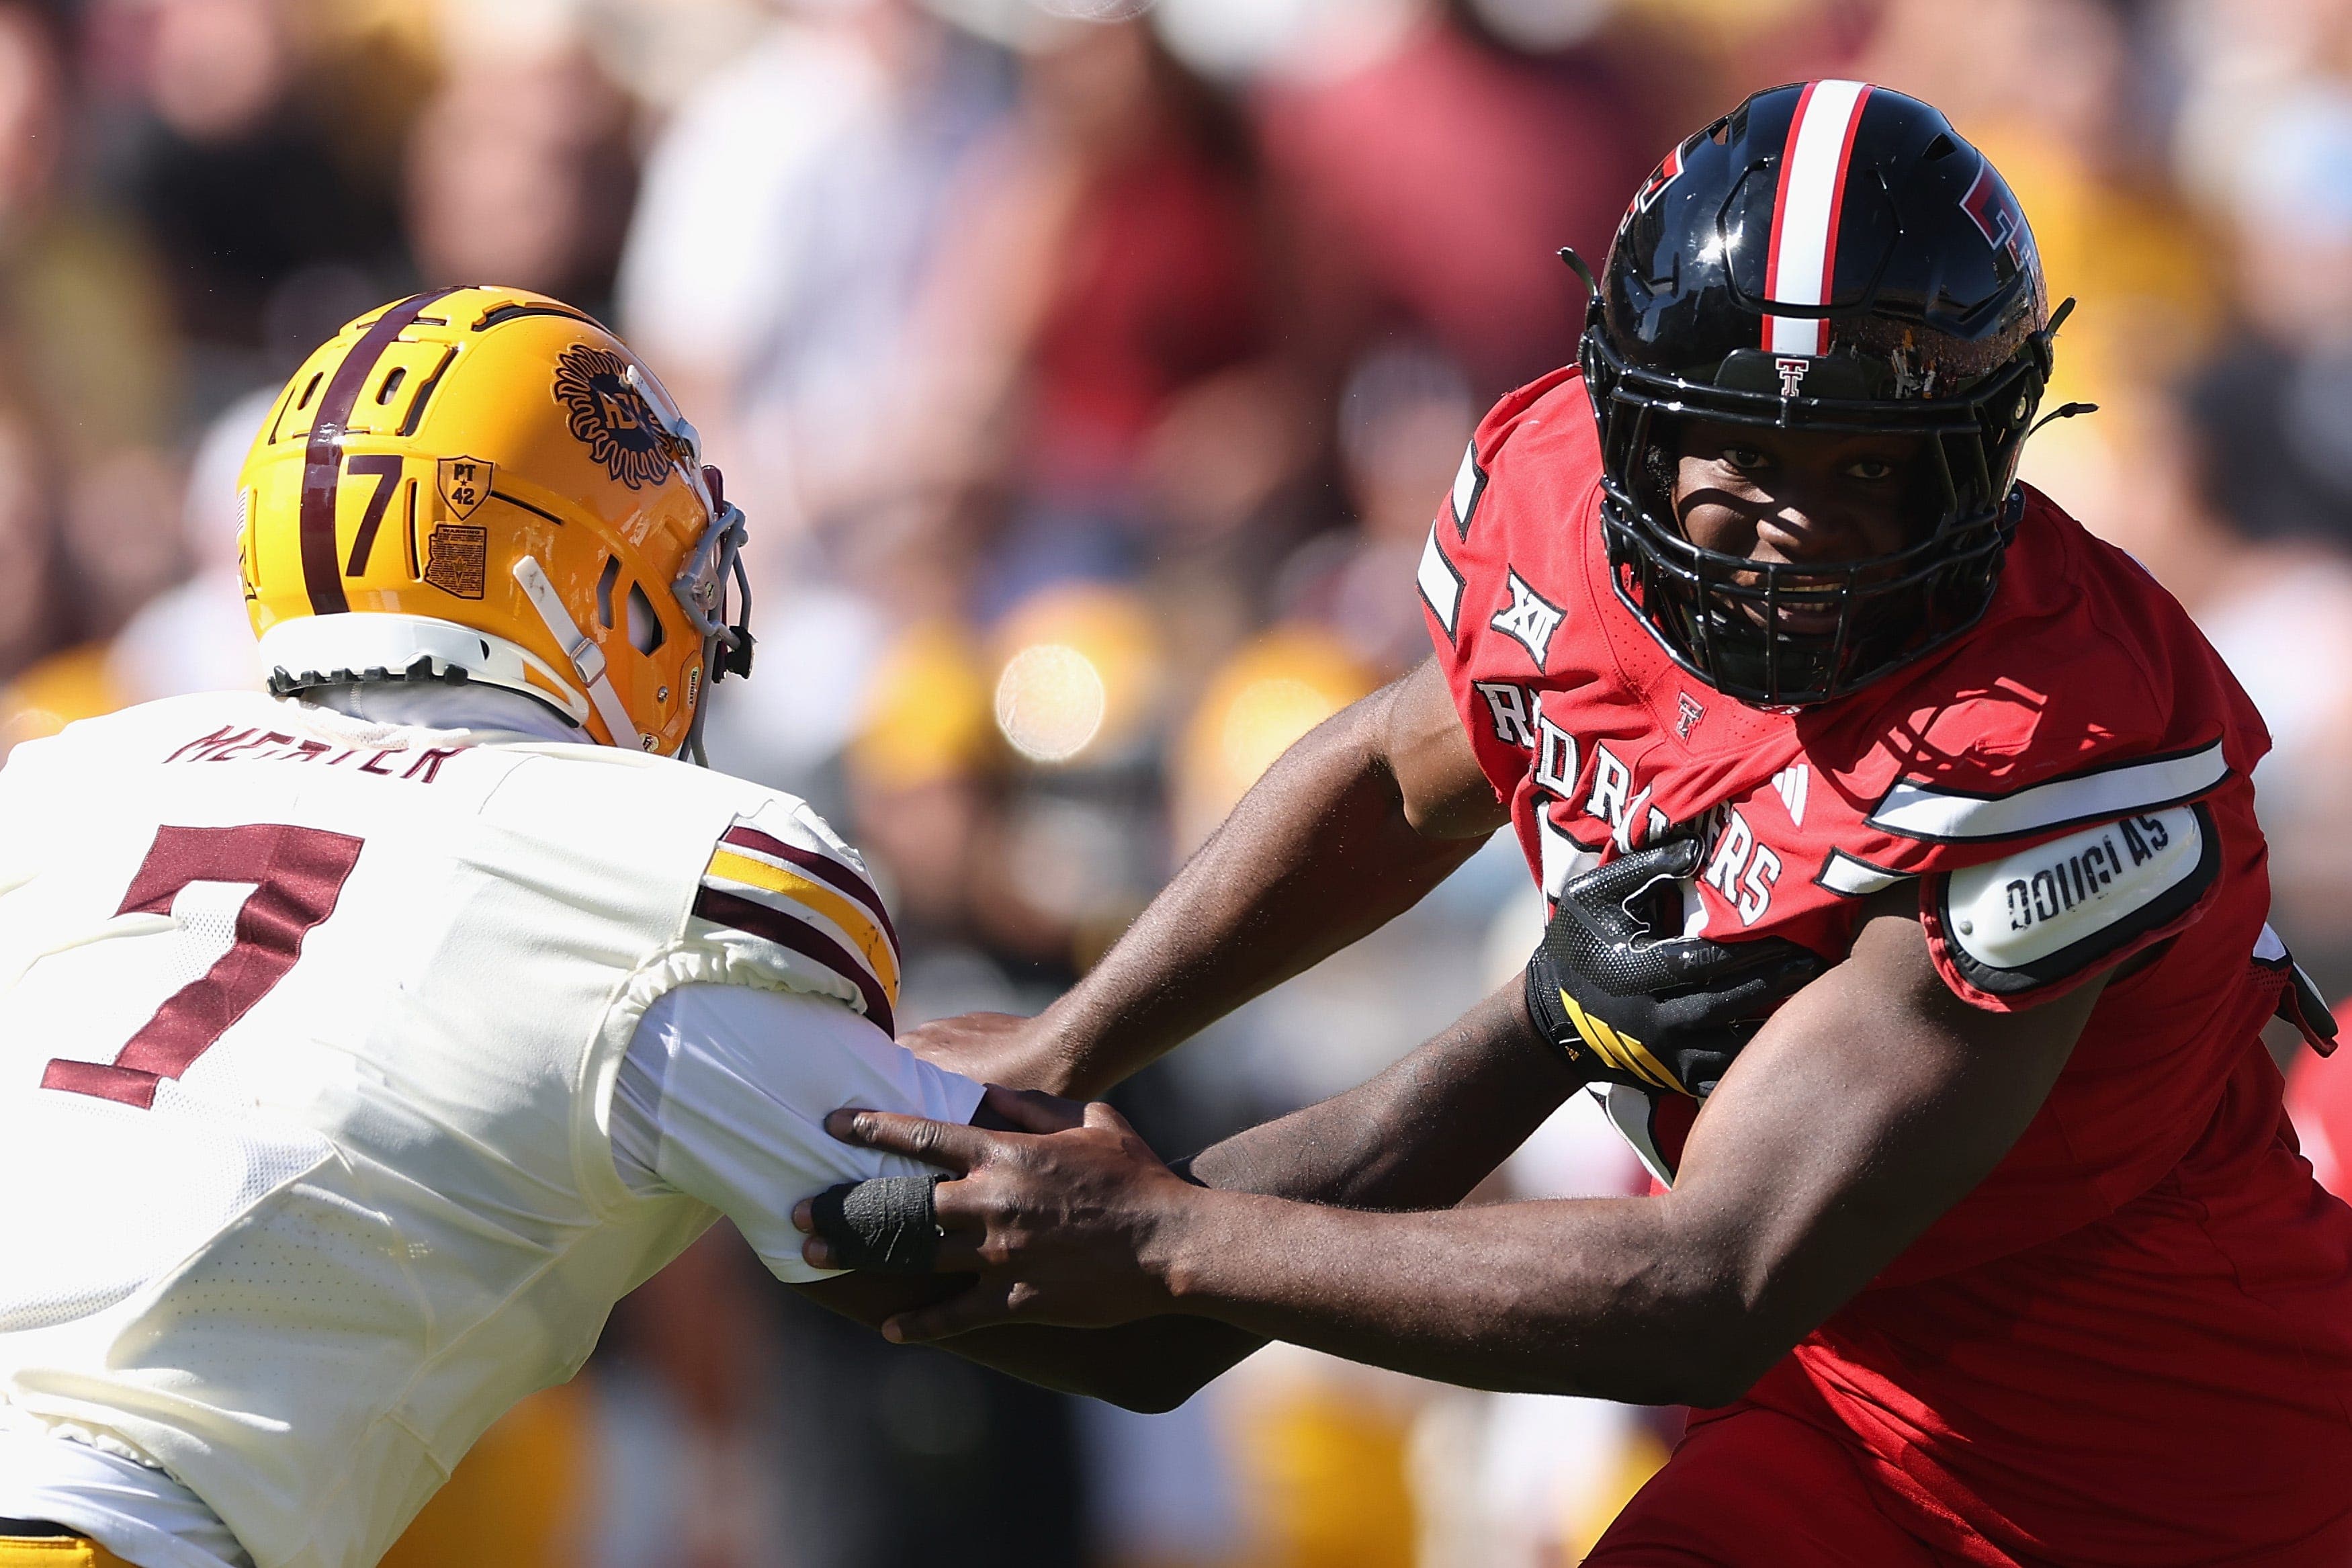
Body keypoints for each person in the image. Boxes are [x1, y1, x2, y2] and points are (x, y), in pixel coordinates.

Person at [803, 85, 2352, 1565]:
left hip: (2171, 1488)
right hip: (1836, 1431)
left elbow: (1711, 1275)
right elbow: (1399, 770)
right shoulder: (1559, 514)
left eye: (1870, 467)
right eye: (1741, 449)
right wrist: (1076, 1042)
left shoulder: (2050, 741)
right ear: (1630, 421)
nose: (1796, 526)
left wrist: (1164, 1240)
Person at [0, 286, 1231, 1568]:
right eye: (681, 577)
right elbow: (1111, 1295)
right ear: (576, 578)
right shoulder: (641, 868)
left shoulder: (78, 768)